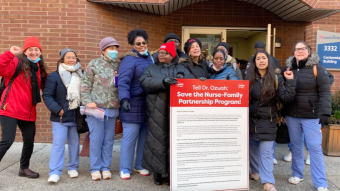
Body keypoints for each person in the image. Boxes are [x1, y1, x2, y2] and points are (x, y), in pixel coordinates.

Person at [140, 41, 194, 186]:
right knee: (156, 140)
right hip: (156, 110)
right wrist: (163, 82)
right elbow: (145, 82)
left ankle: (172, 173)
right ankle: (157, 172)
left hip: (177, 112)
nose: (161, 55)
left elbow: (191, 83)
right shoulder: (151, 68)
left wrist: (198, 82)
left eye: (165, 53)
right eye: (160, 53)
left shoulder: (181, 68)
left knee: (174, 142)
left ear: (172, 55)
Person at [283, 41, 331, 191]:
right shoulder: (288, 68)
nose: (300, 51)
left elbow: (325, 92)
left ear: (309, 52)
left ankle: (321, 183)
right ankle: (297, 174)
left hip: (312, 116)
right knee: (296, 147)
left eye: (303, 49)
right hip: (292, 115)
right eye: (297, 49)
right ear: (294, 52)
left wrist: (324, 113)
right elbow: (283, 91)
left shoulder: (317, 68)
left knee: (314, 148)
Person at [247, 50, 296, 191]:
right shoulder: (249, 79)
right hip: (251, 120)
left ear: (268, 61)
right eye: (258, 58)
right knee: (253, 149)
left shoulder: (276, 78)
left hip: (267, 121)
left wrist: (290, 81)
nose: (261, 60)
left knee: (266, 152)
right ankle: (255, 171)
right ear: (254, 62)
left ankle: (268, 181)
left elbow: (287, 98)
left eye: (264, 58)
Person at [0, 36, 47, 178]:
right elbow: (1, 68)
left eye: (36, 49)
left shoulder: (39, 68)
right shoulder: (16, 62)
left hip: (28, 111)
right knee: (7, 140)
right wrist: (9, 54)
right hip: (10, 109)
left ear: (40, 51)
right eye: (30, 50)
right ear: (25, 52)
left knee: (29, 140)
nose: (33, 52)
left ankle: (24, 168)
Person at [81, 37, 120, 181]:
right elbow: (85, 85)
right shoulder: (94, 64)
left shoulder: (119, 65)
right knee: (96, 139)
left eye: (116, 48)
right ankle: (95, 168)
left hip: (113, 108)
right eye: (111, 48)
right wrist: (88, 101)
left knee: (109, 140)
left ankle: (106, 168)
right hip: (96, 109)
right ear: (103, 50)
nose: (114, 51)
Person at [118, 28, 153, 180]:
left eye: (144, 42)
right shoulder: (129, 59)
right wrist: (124, 99)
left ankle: (139, 164)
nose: (141, 45)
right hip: (132, 104)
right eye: (138, 43)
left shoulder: (150, 59)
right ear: (132, 44)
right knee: (130, 138)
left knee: (144, 138)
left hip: (148, 104)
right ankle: (125, 168)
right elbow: (123, 81)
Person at [43, 49, 82, 183]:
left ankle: (72, 167)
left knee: (75, 143)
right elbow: (47, 96)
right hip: (60, 116)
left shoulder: (81, 74)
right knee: (58, 144)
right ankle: (55, 171)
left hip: (75, 116)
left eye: (73, 57)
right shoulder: (54, 76)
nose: (71, 60)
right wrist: (58, 109)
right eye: (68, 57)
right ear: (62, 59)